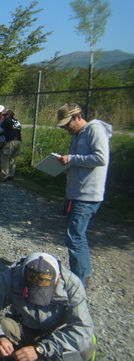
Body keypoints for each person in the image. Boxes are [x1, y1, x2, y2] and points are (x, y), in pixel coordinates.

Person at [0, 252, 95, 361]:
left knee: (86, 347)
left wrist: (40, 349)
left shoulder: (72, 285)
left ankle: (41, 355)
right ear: (22, 276)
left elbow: (82, 327)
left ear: (57, 279)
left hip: (58, 333)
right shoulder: (10, 277)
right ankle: (23, 356)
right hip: (25, 329)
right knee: (5, 326)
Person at [56, 103, 112, 287]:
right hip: (77, 191)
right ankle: (83, 276)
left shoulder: (95, 130)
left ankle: (78, 283)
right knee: (76, 236)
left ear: (77, 116)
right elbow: (82, 161)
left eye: (67, 124)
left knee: (74, 237)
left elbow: (101, 158)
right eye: (63, 126)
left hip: (86, 194)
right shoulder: (78, 134)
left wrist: (71, 159)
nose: (65, 128)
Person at [0, 109, 22, 182]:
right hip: (18, 141)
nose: (4, 117)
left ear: (8, 115)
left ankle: (4, 175)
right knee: (12, 158)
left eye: (5, 115)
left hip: (11, 141)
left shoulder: (7, 120)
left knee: (4, 156)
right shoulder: (18, 122)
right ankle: (11, 174)